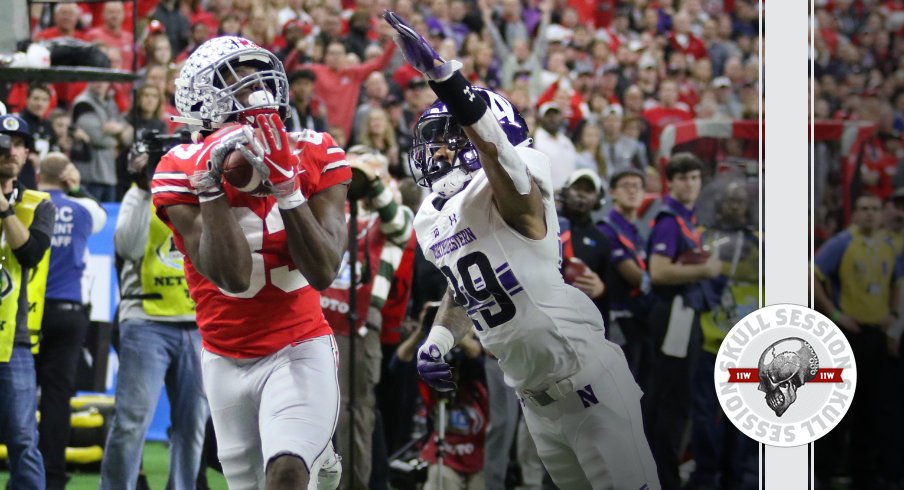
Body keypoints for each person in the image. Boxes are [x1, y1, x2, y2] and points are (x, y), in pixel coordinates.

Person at [383, 12, 659, 489]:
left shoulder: (516, 189)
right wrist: (440, 340)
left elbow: (496, 156)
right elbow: (463, 286)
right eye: (435, 144)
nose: (439, 154)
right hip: (535, 401)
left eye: (450, 140)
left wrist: (450, 84)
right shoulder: (434, 214)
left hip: (589, 384)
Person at [151, 36, 348, 488]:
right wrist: (212, 187)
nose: (255, 89)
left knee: (286, 472)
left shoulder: (315, 149)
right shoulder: (178, 167)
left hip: (299, 344)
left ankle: (310, 454)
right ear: (200, 96)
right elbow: (234, 277)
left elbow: (323, 271)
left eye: (257, 74)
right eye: (235, 80)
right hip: (224, 355)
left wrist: (287, 189)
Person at [99, 146, 209, 489]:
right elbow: (127, 248)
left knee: (193, 424)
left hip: (197, 321)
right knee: (132, 421)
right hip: (146, 319)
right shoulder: (141, 194)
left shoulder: (202, 194)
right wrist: (140, 187)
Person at [318, 149, 414, 490]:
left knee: (354, 413)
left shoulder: (394, 218)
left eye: (370, 171)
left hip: (359, 327)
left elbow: (398, 223)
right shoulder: (334, 213)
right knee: (318, 413)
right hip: (317, 324)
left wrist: (372, 182)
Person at [645, 153, 723, 490]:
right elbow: (658, 271)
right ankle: (664, 478)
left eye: (695, 177)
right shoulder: (668, 219)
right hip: (672, 313)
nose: (690, 184)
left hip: (687, 313)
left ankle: (668, 472)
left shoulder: (690, 218)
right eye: (683, 178)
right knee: (671, 400)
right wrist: (704, 270)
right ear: (671, 182)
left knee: (679, 399)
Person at [814, 193, 898, 489]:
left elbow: (897, 282)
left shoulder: (889, 246)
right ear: (854, 214)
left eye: (874, 209)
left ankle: (865, 471)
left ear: (881, 214)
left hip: (877, 335)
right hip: (849, 334)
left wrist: (894, 319)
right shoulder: (841, 243)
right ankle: (828, 469)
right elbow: (811, 275)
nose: (869, 214)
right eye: (863, 209)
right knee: (839, 405)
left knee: (873, 406)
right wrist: (835, 313)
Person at [35, 153, 106, 490]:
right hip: (68, 310)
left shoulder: (27, 203)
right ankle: (53, 478)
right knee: (57, 397)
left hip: (27, 312)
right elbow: (102, 216)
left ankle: (26, 471)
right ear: (67, 175)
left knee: (17, 394)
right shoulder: (84, 210)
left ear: (38, 174)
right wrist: (77, 188)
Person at [688, 179, 758, 490]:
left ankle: (735, 478)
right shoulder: (703, 238)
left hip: (746, 345)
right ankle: (705, 476)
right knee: (704, 415)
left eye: (740, 202)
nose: (734, 207)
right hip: (708, 340)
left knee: (742, 416)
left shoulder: (759, 244)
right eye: (730, 201)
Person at [0, 114, 57, 489]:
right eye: (4, 144)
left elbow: (32, 254)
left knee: (23, 439)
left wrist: (4, 209)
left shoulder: (38, 203)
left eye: (19, 144)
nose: (11, 151)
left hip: (14, 339)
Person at [597, 169, 654, 391]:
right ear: (612, 192)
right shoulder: (606, 229)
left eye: (637, 186)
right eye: (626, 186)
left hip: (639, 317)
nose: (632, 191)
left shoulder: (635, 229)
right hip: (619, 320)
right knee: (624, 387)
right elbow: (633, 275)